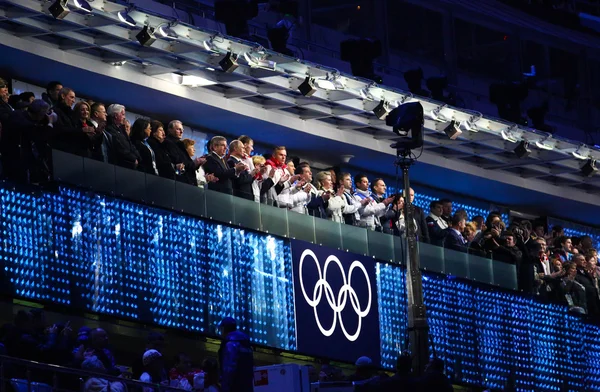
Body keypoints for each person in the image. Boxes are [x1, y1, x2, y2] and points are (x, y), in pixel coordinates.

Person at [218, 317, 253, 392]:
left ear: (224, 329)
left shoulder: (230, 345)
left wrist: (225, 388)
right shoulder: (245, 344)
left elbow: (229, 369)